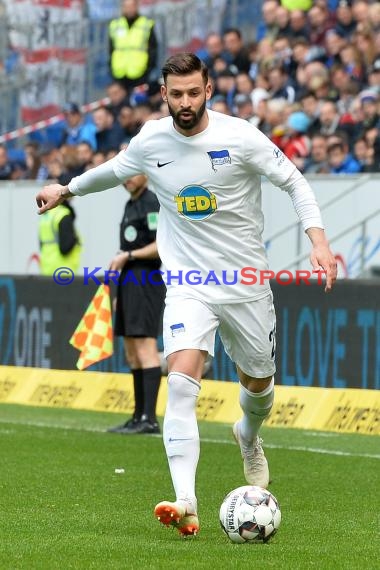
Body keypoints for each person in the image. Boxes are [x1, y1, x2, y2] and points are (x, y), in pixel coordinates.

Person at [36, 53, 337, 538]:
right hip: (188, 285)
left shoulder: (239, 136)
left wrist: (318, 240)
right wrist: (66, 189)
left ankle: (248, 435)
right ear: (164, 94)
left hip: (246, 284)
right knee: (179, 381)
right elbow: (112, 171)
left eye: (193, 93)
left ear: (208, 90)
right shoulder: (151, 140)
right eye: (176, 94)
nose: (185, 103)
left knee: (258, 387)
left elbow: (295, 183)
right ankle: (186, 501)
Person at [107, 173, 165, 435]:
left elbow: (160, 246)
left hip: (146, 278)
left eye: (131, 174)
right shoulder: (131, 204)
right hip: (129, 280)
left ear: (145, 174)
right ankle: (137, 416)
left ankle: (149, 419)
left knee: (145, 346)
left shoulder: (152, 202)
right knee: (131, 348)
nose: (126, 179)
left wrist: (128, 255)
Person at [108, 0, 158, 95]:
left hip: (140, 73)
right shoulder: (115, 25)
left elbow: (153, 50)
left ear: (137, 7)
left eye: (131, 6)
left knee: (139, 104)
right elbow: (111, 50)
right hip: (119, 73)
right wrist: (111, 69)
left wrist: (148, 69)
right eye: (126, 6)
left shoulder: (146, 24)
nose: (129, 9)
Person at [38, 200, 81, 276]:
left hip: (46, 270)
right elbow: (65, 248)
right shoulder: (63, 214)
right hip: (63, 272)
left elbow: (41, 245)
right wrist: (75, 240)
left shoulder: (47, 216)